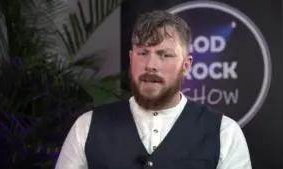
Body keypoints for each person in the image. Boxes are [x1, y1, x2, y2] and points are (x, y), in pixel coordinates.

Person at [55, 10, 252, 169]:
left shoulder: (224, 133)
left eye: (164, 55)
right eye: (143, 53)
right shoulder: (87, 127)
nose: (150, 65)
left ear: (186, 65)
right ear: (131, 58)